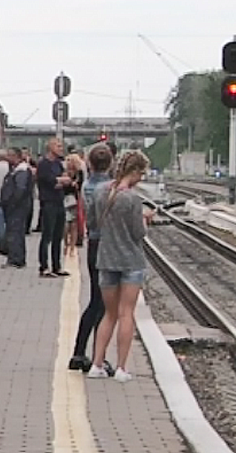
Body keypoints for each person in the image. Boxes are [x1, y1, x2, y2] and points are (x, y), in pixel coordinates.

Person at [89, 151, 154, 382]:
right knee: (127, 313)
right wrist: (146, 220)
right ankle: (121, 368)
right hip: (131, 262)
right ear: (134, 171)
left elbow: (93, 222)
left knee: (109, 314)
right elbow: (138, 233)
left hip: (106, 259)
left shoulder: (100, 192)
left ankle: (96, 364)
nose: (141, 178)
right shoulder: (133, 199)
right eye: (141, 173)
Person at [69, 144, 114, 372]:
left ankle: (79, 352)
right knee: (102, 304)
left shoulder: (87, 184)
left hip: (92, 244)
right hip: (106, 245)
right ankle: (96, 356)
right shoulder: (108, 188)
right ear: (111, 163)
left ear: (90, 163)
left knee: (96, 300)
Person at [37, 138, 72, 278]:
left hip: (59, 201)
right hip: (48, 203)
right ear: (50, 147)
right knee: (47, 235)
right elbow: (48, 181)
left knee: (58, 236)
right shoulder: (44, 164)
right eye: (58, 146)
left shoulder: (58, 163)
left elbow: (65, 180)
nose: (61, 148)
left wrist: (60, 181)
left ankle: (57, 266)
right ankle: (44, 267)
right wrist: (59, 181)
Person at [2, 148, 33, 269]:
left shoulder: (21, 171)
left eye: (10, 155)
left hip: (17, 208)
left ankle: (16, 259)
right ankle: (16, 257)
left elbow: (20, 189)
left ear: (16, 156)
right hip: (17, 207)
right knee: (15, 231)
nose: (7, 158)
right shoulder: (15, 170)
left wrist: (12, 202)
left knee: (15, 232)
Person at [63, 154, 84, 259]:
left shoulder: (79, 173)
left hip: (75, 199)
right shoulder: (64, 172)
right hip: (65, 198)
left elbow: (81, 185)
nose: (69, 163)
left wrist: (76, 184)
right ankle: (66, 243)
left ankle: (72, 246)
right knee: (66, 224)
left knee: (74, 224)